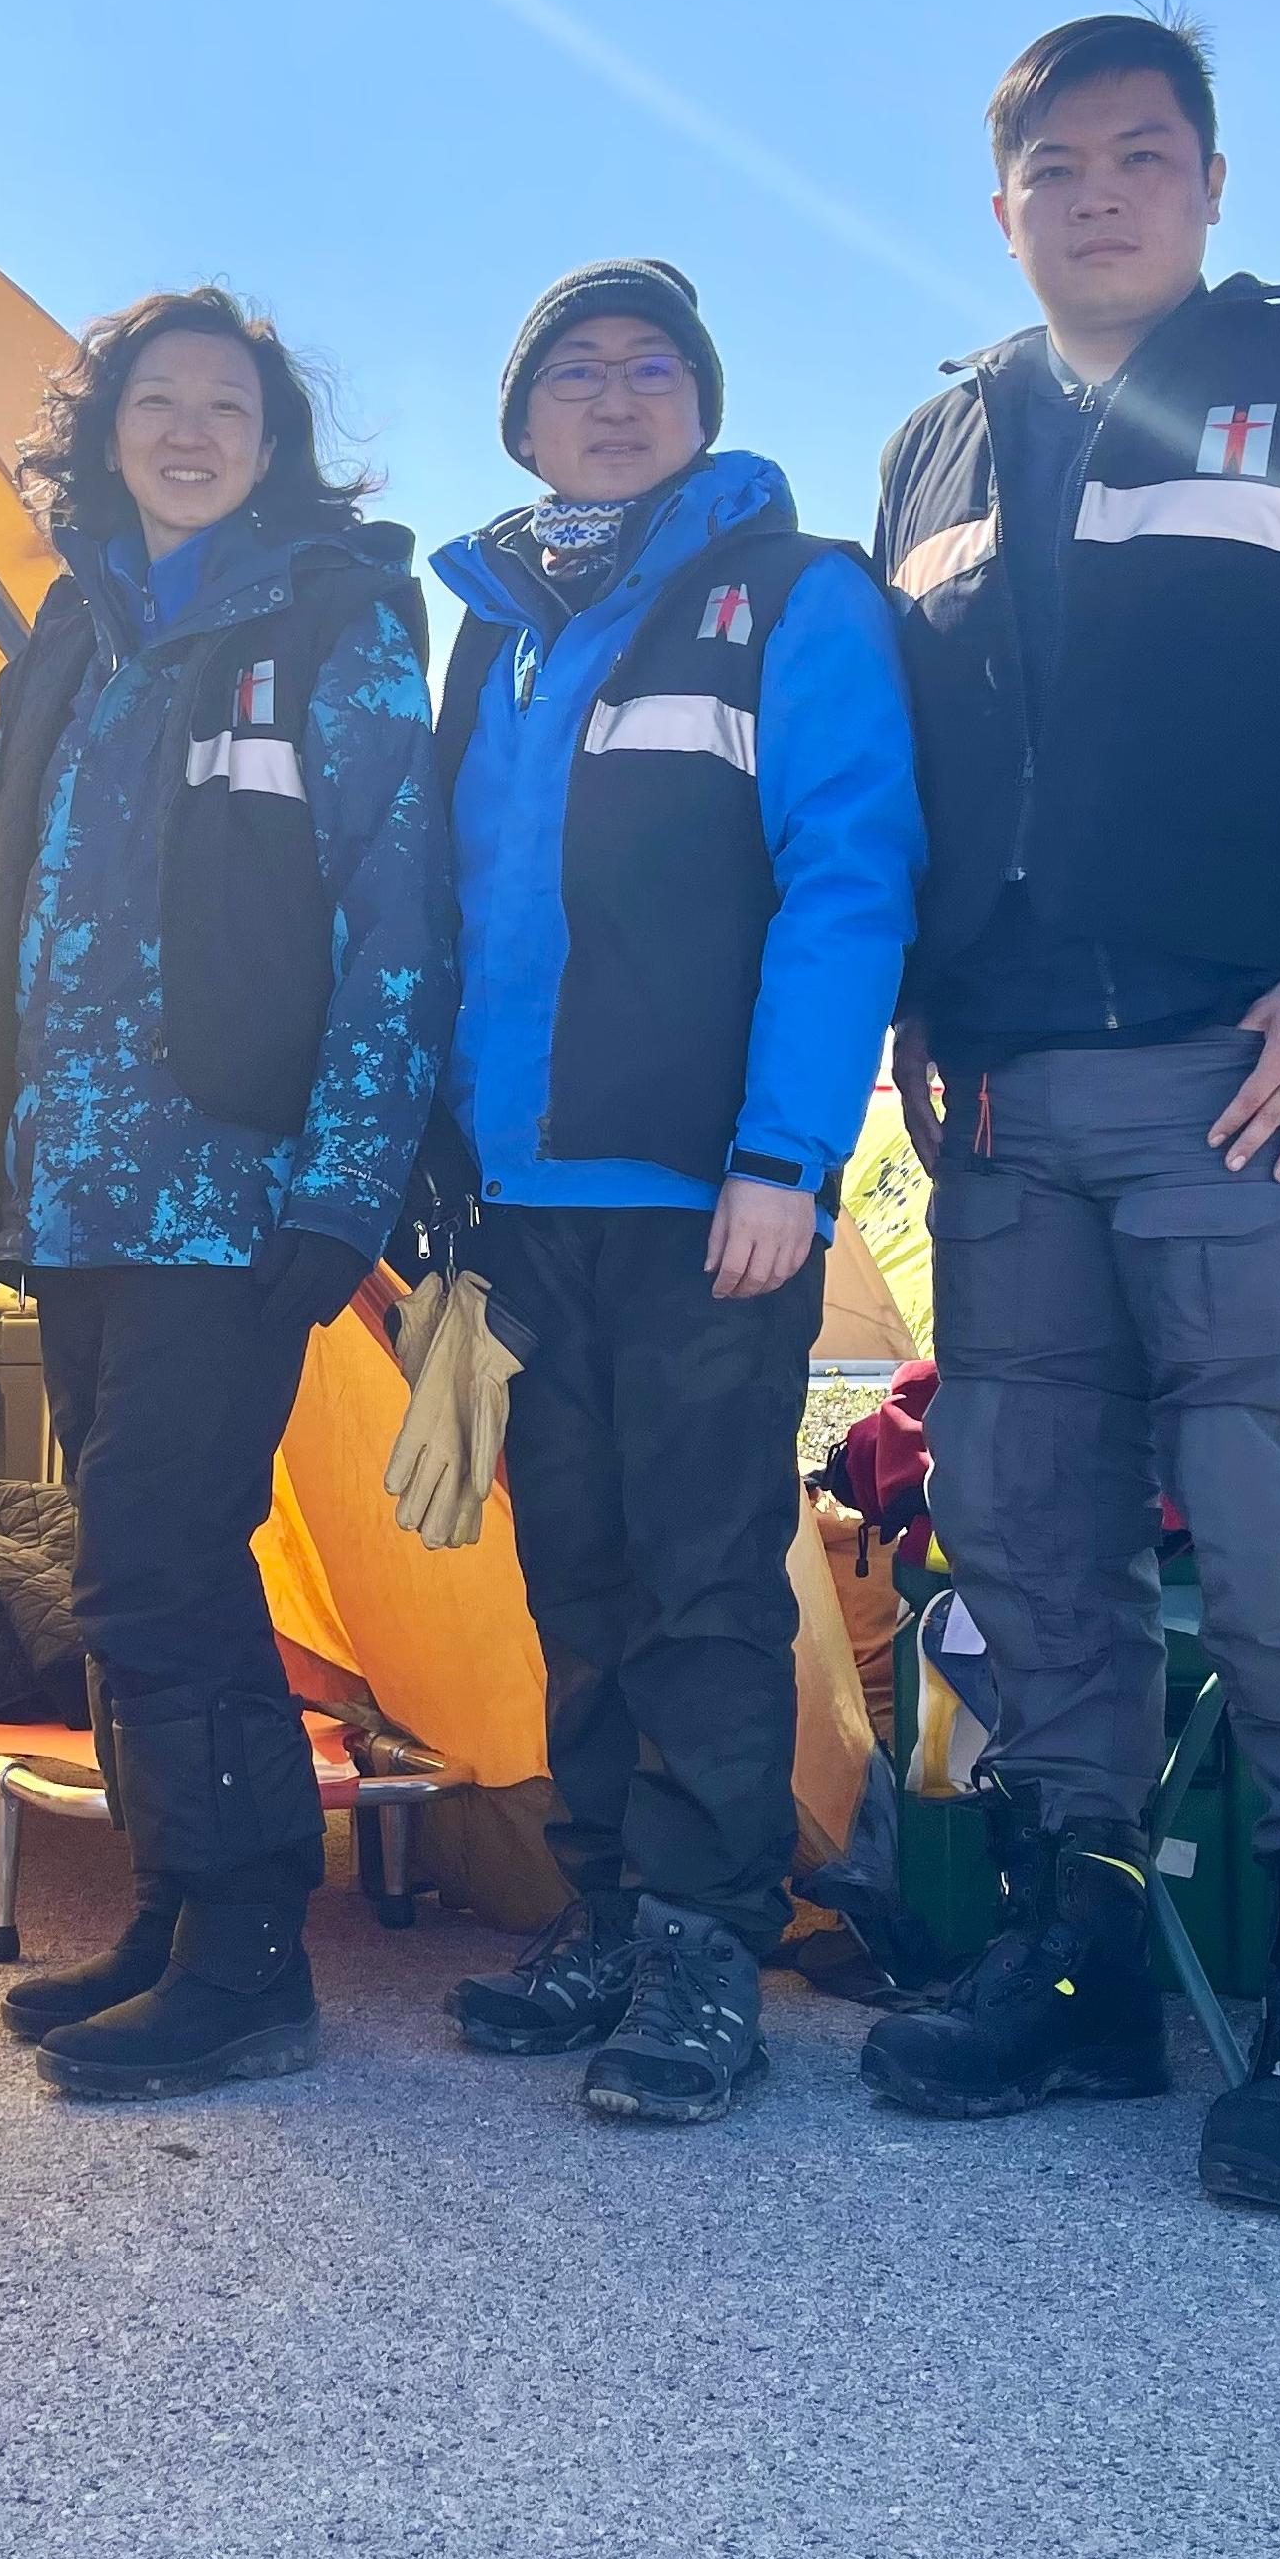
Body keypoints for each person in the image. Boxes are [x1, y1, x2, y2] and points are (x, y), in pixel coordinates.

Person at [861, 13, 1280, 2215]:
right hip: (1007, 1092)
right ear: (1001, 202)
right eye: (1055, 163)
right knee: (1020, 1527)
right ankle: (1076, 1958)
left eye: (1142, 157)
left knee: (1270, 1532)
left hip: (1251, 1073)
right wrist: (923, 1000)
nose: (1099, 193)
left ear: (1210, 185)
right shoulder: (934, 448)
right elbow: (908, 774)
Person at [0, 289, 453, 2102]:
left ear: (275, 440)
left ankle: (252, 1955)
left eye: (230, 405)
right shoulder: (66, 632)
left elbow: (398, 907)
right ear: (106, 429)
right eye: (160, 400)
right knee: (132, 1559)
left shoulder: (338, 620)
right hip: (75, 1185)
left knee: (156, 1548)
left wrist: (347, 1180)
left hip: (235, 1182)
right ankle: (172, 1909)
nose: (192, 429)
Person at [427, 259, 922, 2124]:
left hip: (715, 1191)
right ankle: (610, 1909)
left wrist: (788, 1156)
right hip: (523, 1195)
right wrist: (441, 1171)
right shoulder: (496, 628)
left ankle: (712, 1940)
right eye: (575, 371)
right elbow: (455, 913)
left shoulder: (788, 600)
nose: (615, 396)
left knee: (709, 1571)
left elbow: (848, 877)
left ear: (703, 406)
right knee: (578, 1565)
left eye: (652, 368)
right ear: (523, 414)